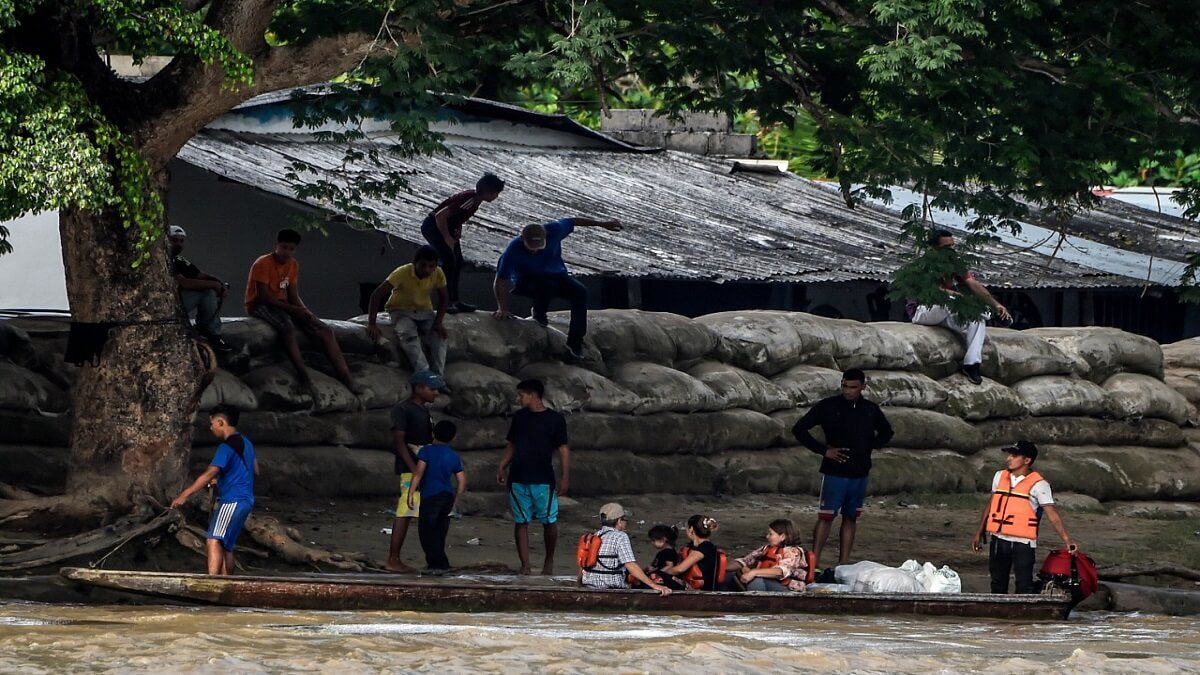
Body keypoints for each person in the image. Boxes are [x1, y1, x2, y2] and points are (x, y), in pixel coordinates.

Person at [792, 368, 894, 575]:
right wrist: (824, 451)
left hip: (859, 472)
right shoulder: (828, 406)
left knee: (851, 517)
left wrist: (869, 446)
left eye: (853, 387)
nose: (848, 391)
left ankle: (844, 563)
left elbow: (887, 431)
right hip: (834, 471)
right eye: (845, 386)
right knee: (826, 516)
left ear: (863, 387)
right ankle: (814, 561)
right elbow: (799, 429)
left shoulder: (870, 409)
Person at [245, 228, 361, 393]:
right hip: (260, 305)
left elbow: (293, 294)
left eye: (291, 249)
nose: (287, 252)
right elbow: (262, 296)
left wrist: (305, 311)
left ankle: (346, 376)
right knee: (287, 326)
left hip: (284, 303)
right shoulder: (262, 263)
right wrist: (292, 309)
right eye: (284, 247)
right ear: (276, 245)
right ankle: (302, 373)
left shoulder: (293, 265)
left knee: (325, 330)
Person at [492, 217, 622, 361]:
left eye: (538, 248)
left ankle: (575, 343)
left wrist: (603, 223)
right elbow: (500, 279)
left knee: (580, 291)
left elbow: (574, 221)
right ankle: (539, 312)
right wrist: (502, 308)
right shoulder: (512, 250)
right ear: (522, 239)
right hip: (527, 282)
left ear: (546, 237)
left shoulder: (555, 229)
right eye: (531, 249)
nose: (535, 252)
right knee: (545, 286)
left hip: (556, 275)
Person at [907, 229, 1013, 385]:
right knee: (954, 299)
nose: (950, 250)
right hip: (923, 311)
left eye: (952, 246)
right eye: (946, 247)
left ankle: (972, 364)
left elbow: (972, 283)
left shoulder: (955, 264)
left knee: (976, 320)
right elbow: (925, 290)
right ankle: (988, 313)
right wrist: (950, 293)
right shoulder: (922, 265)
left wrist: (996, 304)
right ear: (933, 248)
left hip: (945, 312)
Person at [972, 441, 1078, 594]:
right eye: (1009, 455)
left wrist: (1067, 540)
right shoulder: (999, 476)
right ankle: (999, 614)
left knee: (1023, 584)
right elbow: (991, 505)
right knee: (997, 583)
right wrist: (978, 533)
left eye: (1014, 456)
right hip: (998, 539)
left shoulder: (1039, 485)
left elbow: (1052, 515)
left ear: (1027, 460)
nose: (1009, 458)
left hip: (1023, 543)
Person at [170, 404, 257, 575]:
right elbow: (255, 470)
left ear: (220, 422)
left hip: (232, 501)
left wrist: (184, 494)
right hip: (246, 500)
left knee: (213, 540)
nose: (211, 428)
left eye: (212, 424)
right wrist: (223, 479)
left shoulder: (226, 447)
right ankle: (226, 586)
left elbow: (209, 473)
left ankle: (212, 584)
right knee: (227, 546)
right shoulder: (247, 443)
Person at [496, 378, 570, 575]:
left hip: (543, 478)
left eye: (521, 395)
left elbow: (563, 449)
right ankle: (525, 565)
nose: (518, 399)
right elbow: (512, 443)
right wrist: (503, 465)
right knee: (521, 521)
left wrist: (564, 477)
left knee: (549, 521)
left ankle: (549, 561)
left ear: (534, 395)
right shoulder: (519, 417)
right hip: (518, 476)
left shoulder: (555, 420)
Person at [420, 173, 505, 314]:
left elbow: (457, 216)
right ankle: (445, 303)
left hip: (449, 229)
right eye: (496, 193)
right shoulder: (470, 199)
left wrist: (458, 229)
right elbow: (440, 216)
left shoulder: (475, 201)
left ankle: (455, 301)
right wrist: (447, 237)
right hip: (434, 227)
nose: (496, 196)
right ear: (488, 191)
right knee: (448, 262)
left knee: (458, 262)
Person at [386, 369, 443, 573]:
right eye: (432, 389)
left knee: (416, 512)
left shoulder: (423, 411)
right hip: (412, 470)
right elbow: (400, 443)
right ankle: (393, 559)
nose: (436, 393)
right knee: (405, 511)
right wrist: (415, 470)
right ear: (418, 388)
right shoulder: (403, 410)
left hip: (422, 469)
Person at [366, 245, 449, 374]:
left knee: (439, 337)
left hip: (425, 311)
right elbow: (377, 295)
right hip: (400, 310)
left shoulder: (438, 273)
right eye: (423, 265)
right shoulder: (402, 272)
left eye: (431, 266)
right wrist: (372, 323)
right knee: (408, 335)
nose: (427, 269)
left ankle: (438, 376)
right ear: (415, 263)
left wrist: (438, 322)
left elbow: (444, 298)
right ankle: (424, 375)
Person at [407, 420, 467, 572]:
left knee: (426, 530)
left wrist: (411, 493)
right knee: (440, 531)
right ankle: (436, 564)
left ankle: (440, 564)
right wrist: (456, 499)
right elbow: (461, 481)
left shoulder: (426, 451)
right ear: (453, 438)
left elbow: (418, 473)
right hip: (447, 496)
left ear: (433, 434)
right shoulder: (454, 456)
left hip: (431, 496)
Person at [577, 503, 672, 596]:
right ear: (619, 521)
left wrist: (579, 586)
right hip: (611, 588)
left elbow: (583, 565)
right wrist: (654, 585)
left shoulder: (593, 536)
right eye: (625, 519)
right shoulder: (620, 536)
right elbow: (630, 564)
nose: (625, 522)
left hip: (589, 586)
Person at [168, 225, 232, 352]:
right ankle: (210, 331)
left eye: (182, 241)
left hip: (178, 299)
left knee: (209, 289)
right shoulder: (165, 259)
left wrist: (219, 282)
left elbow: (199, 275)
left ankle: (208, 330)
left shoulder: (179, 260)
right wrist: (213, 285)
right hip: (169, 304)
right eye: (175, 240)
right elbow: (183, 283)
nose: (179, 244)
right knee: (207, 292)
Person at [725, 519, 808, 592]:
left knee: (756, 580)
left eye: (770, 534)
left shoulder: (794, 552)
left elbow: (780, 572)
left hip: (787, 588)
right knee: (729, 575)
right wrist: (722, 568)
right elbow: (746, 561)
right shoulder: (766, 548)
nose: (767, 536)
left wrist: (753, 572)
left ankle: (756, 606)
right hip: (766, 581)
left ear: (782, 536)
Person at [660, 515, 726, 591]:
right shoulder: (704, 546)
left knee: (657, 577)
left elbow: (680, 569)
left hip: (702, 590)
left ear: (691, 529)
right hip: (695, 585)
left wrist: (662, 573)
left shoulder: (704, 548)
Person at [642, 524, 686, 590]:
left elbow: (670, 566)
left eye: (654, 540)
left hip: (665, 579)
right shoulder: (664, 552)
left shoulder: (668, 552)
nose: (652, 543)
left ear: (663, 540)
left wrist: (658, 572)